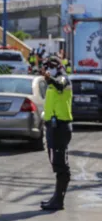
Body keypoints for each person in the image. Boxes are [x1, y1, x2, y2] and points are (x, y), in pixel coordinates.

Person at [40, 55, 73, 211]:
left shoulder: (64, 79)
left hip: (61, 127)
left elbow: (60, 86)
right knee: (56, 162)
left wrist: (49, 79)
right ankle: (56, 197)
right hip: (53, 127)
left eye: (50, 66)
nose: (48, 70)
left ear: (57, 67)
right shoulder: (52, 82)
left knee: (61, 165)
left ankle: (59, 201)